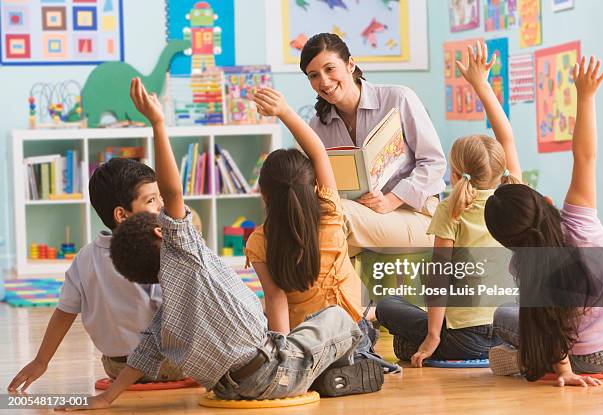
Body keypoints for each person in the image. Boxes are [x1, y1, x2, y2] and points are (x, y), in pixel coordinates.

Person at [57, 78, 383, 410]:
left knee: (302, 337)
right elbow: (172, 192)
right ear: (161, 233)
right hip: (273, 371)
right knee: (337, 319)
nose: (164, 213)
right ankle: (348, 366)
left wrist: (108, 397)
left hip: (230, 389)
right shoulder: (188, 255)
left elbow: (141, 357)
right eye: (158, 214)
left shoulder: (166, 314)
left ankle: (322, 367)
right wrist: (157, 123)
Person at [376, 41, 519, 366]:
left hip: (462, 341)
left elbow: (438, 278)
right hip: (509, 331)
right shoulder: (515, 197)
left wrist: (432, 337)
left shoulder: (450, 208)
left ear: (454, 174)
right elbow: (506, 137)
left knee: (387, 305)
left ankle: (418, 343)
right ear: (501, 168)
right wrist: (482, 86)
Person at [245, 87, 398, 372]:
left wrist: (284, 359)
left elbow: (275, 300)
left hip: (305, 346)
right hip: (353, 335)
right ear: (315, 187)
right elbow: (319, 153)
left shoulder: (258, 241)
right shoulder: (330, 213)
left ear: (264, 195)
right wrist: (284, 111)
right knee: (377, 315)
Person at [485, 56, 603, 387]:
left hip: (581, 357)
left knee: (503, 316)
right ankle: (528, 357)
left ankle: (524, 358)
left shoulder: (527, 266)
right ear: (545, 203)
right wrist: (585, 96)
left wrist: (565, 371)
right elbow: (585, 155)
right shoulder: (581, 223)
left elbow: (548, 322)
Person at [8, 158, 184, 393]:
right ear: (122, 215)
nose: (162, 206)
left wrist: (41, 361)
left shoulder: (84, 257)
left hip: (116, 367)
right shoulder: (158, 252)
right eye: (151, 200)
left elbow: (64, 313)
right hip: (164, 365)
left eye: (160, 197)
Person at [300, 33, 447, 256]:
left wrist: (391, 200)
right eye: (314, 75)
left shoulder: (399, 99)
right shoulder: (318, 126)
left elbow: (434, 163)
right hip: (358, 218)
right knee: (311, 228)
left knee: (333, 219)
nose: (324, 81)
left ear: (350, 64)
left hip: (419, 217)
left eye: (330, 69)